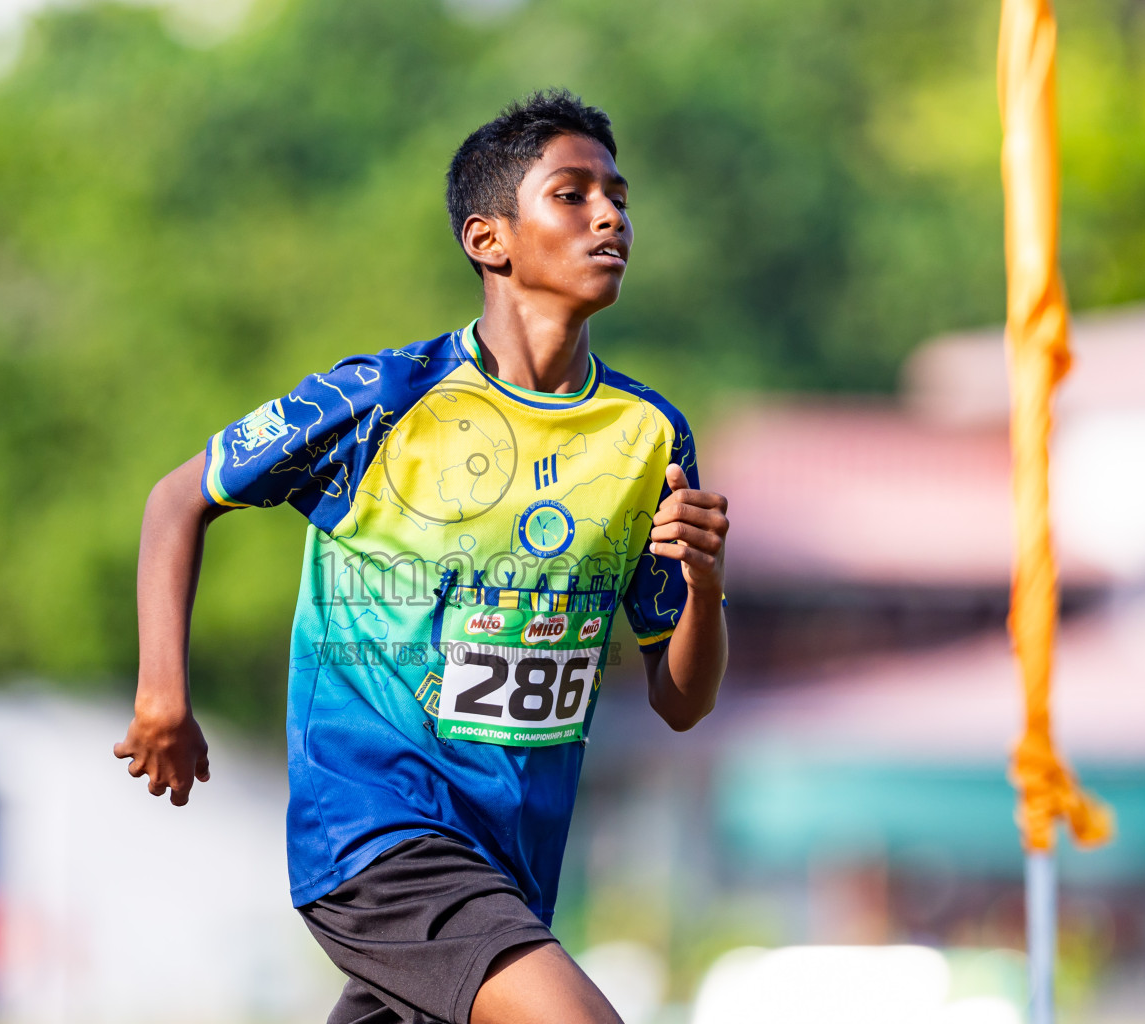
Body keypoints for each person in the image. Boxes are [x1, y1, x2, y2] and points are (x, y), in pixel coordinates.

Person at [114, 89, 730, 1024]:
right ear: (491, 240)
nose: (611, 215)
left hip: (512, 861)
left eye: (618, 193)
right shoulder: (381, 399)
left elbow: (681, 702)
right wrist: (163, 695)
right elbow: (177, 500)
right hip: (377, 835)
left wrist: (705, 588)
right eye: (573, 193)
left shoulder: (649, 435)